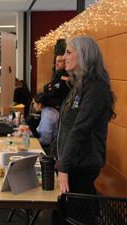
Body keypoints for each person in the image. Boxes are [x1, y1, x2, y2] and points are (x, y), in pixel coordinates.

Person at [56, 36, 116, 195]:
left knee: (76, 216)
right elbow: (66, 125)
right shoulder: (79, 86)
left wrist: (63, 166)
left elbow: (79, 129)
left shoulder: (96, 89)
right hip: (71, 164)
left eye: (68, 52)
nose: (63, 57)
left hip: (80, 166)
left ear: (83, 55)